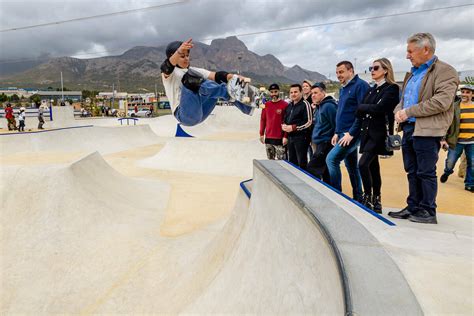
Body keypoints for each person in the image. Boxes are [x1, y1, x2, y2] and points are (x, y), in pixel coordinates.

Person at [389, 33, 459, 224]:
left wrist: (409, 112)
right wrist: (399, 111)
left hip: (428, 131)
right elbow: (404, 100)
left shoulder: (445, 71)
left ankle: (428, 211)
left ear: (425, 49)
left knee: (425, 172)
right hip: (410, 128)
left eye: (410, 51)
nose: (407, 55)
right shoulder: (413, 72)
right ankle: (413, 206)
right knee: (412, 170)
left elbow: (441, 102)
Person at [161, 38, 255, 127]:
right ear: (173, 56)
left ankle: (250, 107)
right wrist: (178, 51)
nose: (186, 58)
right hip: (184, 115)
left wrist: (234, 77)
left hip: (201, 112)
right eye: (182, 56)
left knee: (216, 82)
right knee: (190, 78)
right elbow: (167, 66)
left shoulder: (194, 70)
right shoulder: (170, 74)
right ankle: (228, 93)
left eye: (187, 55)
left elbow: (217, 76)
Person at [356, 58, 400, 213]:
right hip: (367, 132)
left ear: (386, 70)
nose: (372, 71)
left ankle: (368, 197)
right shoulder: (371, 89)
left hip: (379, 133)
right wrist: (367, 108)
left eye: (375, 68)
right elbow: (361, 110)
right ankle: (376, 200)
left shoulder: (392, 88)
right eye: (371, 68)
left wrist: (365, 107)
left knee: (362, 164)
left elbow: (381, 108)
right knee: (373, 167)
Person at [326, 61, 369, 201]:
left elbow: (362, 112)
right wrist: (337, 132)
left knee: (331, 159)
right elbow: (342, 112)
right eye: (337, 72)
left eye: (342, 72)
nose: (339, 75)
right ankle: (359, 198)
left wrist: (351, 134)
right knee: (352, 167)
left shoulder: (360, 86)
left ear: (351, 71)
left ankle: (336, 195)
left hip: (352, 134)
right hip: (342, 133)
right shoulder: (343, 88)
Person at [440, 84, 473, 192]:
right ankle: (447, 172)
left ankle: (469, 183)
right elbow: (447, 123)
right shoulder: (454, 107)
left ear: (472, 94)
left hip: (472, 141)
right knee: (450, 162)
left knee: (472, 163)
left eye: (467, 92)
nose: (464, 94)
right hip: (456, 141)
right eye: (463, 92)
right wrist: (443, 139)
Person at [307, 82, 337, 183]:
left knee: (312, 169)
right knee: (325, 172)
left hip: (326, 144)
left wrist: (332, 140)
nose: (313, 95)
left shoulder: (329, 106)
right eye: (312, 93)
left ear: (323, 93)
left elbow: (335, 125)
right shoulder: (320, 106)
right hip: (319, 143)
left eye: (316, 93)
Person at [282, 84, 312, 169]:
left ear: (301, 92)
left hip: (301, 138)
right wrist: (284, 126)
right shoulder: (289, 106)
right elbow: (286, 119)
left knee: (302, 162)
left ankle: (304, 180)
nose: (293, 94)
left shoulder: (305, 104)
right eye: (291, 92)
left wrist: (293, 127)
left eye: (295, 92)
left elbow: (309, 122)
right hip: (290, 137)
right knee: (291, 162)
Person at [259, 83, 288, 160]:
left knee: (282, 163)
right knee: (270, 163)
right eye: (272, 92)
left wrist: (285, 136)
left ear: (279, 92)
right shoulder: (266, 105)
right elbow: (263, 120)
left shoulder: (285, 105)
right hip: (268, 138)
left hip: (280, 139)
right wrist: (261, 134)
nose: (274, 94)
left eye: (275, 91)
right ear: (269, 93)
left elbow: (287, 122)